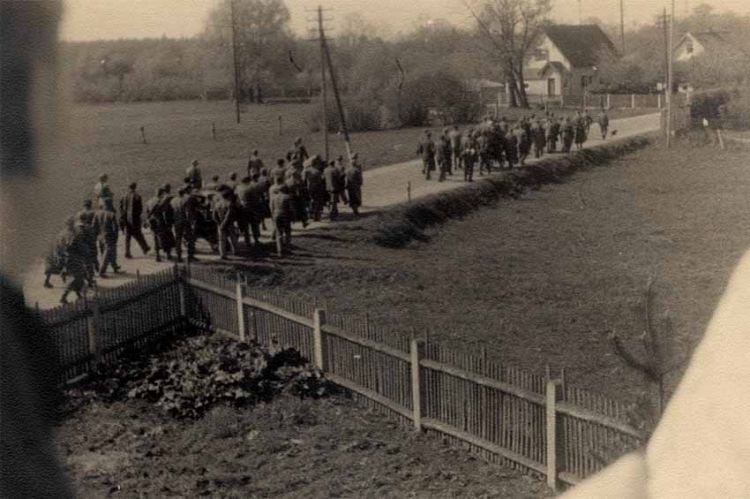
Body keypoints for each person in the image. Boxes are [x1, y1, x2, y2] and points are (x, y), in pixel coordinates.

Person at [59, 216, 91, 304]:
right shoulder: (74, 234)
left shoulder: (62, 234)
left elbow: (60, 247)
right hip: (75, 258)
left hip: (66, 258)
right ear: (71, 224)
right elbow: (79, 246)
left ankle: (79, 295)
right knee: (76, 278)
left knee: (79, 277)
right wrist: (86, 251)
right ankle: (63, 297)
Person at [119, 182, 150, 259]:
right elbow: (140, 209)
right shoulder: (137, 196)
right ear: (135, 187)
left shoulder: (124, 196)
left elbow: (121, 208)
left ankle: (127, 252)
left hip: (126, 218)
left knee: (128, 236)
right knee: (138, 234)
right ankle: (145, 248)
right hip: (134, 218)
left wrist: (123, 216)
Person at [43, 217, 75, 289]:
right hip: (63, 253)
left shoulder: (62, 232)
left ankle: (47, 281)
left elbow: (56, 243)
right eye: (72, 224)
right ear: (71, 224)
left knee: (51, 267)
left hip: (57, 252)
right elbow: (68, 245)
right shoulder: (69, 233)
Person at [94, 197, 121, 277]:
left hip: (100, 236)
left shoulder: (97, 213)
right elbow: (115, 228)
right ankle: (102, 271)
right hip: (109, 236)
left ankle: (114, 266)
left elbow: (94, 226)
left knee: (105, 252)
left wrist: (96, 235)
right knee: (108, 252)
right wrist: (115, 238)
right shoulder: (111, 214)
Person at [75, 199, 99, 281]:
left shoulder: (78, 213)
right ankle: (96, 268)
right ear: (90, 205)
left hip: (80, 238)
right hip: (89, 234)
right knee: (93, 255)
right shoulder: (93, 213)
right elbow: (96, 224)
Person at [170, 187, 195, 262]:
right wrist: (191, 221)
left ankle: (179, 256)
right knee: (189, 238)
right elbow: (188, 212)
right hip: (185, 221)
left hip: (176, 221)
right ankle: (190, 255)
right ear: (183, 193)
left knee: (178, 239)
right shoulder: (186, 200)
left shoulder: (173, 201)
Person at [269, 179, 293, 256]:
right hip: (285, 215)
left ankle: (280, 250)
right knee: (287, 232)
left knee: (279, 233)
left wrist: (273, 215)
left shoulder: (274, 197)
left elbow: (271, 208)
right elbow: (291, 208)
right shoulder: (287, 197)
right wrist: (293, 217)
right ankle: (288, 248)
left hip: (276, 214)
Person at [212, 188, 238, 259]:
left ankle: (222, 254)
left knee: (221, 240)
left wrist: (219, 223)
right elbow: (228, 215)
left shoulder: (217, 204)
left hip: (220, 224)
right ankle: (235, 251)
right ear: (228, 196)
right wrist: (224, 224)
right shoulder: (229, 204)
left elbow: (214, 215)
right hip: (229, 224)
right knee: (233, 238)